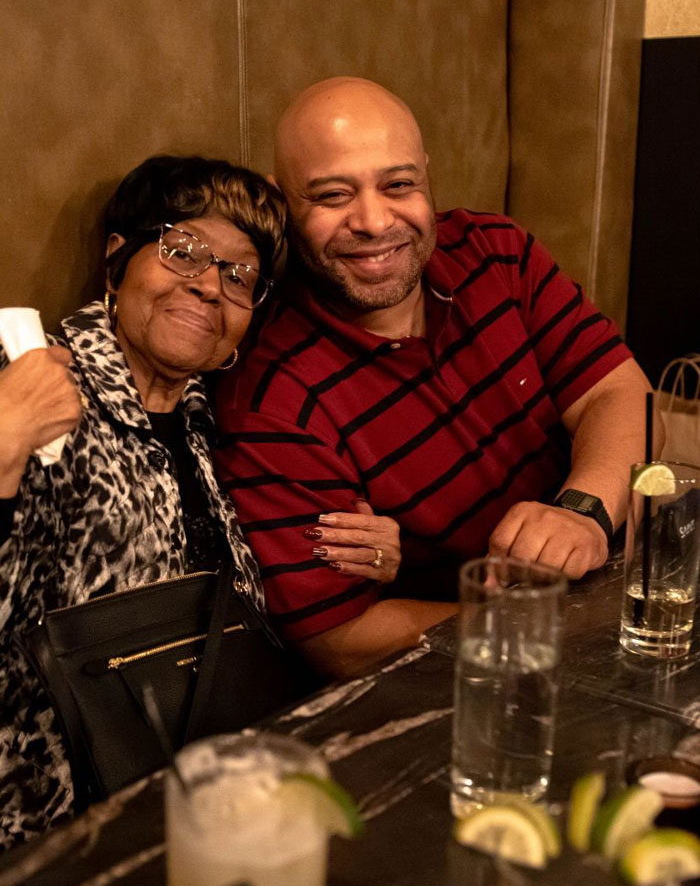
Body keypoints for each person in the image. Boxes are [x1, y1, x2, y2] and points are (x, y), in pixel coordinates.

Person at [0, 154, 398, 850]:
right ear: (116, 262)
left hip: (207, 796)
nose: (210, 285)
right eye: (183, 250)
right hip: (54, 826)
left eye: (238, 274)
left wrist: (366, 556)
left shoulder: (209, 423)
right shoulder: (30, 377)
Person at [215, 77, 660, 679]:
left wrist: (583, 512)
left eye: (398, 185)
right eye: (332, 195)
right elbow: (337, 640)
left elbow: (620, 391)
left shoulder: (496, 251)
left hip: (626, 597)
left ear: (426, 174)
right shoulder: (273, 398)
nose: (373, 222)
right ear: (281, 203)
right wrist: (523, 622)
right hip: (474, 675)